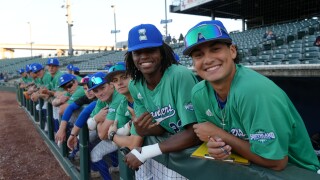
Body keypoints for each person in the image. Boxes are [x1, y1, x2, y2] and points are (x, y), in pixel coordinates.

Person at [183, 20, 320, 172]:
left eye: (215, 49)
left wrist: (220, 134)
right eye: (198, 55)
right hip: (248, 169)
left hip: (298, 172)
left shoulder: (254, 91)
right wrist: (215, 146)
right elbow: (213, 140)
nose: (207, 60)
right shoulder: (198, 94)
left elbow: (277, 162)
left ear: (232, 51)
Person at [123, 23, 200, 175]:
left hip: (195, 157)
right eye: (137, 52)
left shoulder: (179, 75)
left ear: (162, 52)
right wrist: (143, 130)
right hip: (171, 150)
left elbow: (196, 132)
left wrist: (145, 152)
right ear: (132, 57)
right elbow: (161, 126)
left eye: (151, 50)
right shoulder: (135, 85)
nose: (144, 56)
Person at [106, 63, 153, 179]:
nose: (119, 83)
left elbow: (132, 144)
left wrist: (112, 135)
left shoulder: (143, 96)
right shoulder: (123, 104)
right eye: (115, 80)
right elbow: (118, 137)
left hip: (165, 154)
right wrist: (129, 125)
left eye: (124, 77)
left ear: (133, 77)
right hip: (144, 156)